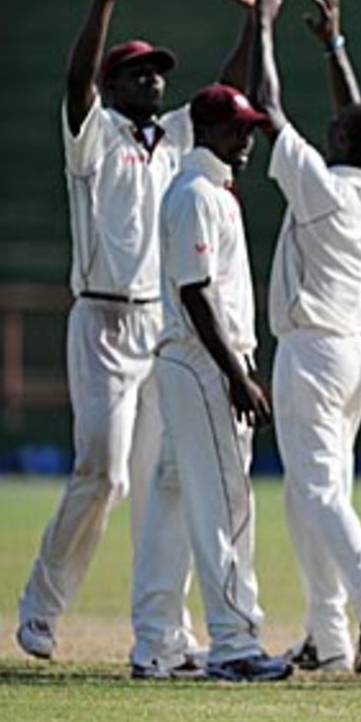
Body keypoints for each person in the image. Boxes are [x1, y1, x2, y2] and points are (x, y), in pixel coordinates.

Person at [17, 0, 254, 665]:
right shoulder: (93, 136)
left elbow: (224, 101)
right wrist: (105, 1)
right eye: (140, 73)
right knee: (105, 472)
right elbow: (75, 84)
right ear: (115, 87)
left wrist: (255, 26)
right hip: (101, 320)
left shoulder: (175, 140)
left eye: (158, 74)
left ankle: (165, 630)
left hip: (159, 324)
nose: (154, 81)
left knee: (165, 483)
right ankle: (40, 610)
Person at [248, 0, 361, 674]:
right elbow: (358, 116)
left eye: (336, 126)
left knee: (314, 489)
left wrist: (262, 23)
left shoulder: (318, 187)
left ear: (342, 142)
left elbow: (265, 104)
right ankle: (328, 636)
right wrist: (334, 45)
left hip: (312, 352)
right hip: (350, 354)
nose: (331, 122)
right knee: (312, 494)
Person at [129, 81, 291, 682]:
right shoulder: (197, 192)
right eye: (238, 127)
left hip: (195, 361)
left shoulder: (208, 188)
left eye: (250, 126)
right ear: (206, 129)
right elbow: (195, 293)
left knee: (173, 497)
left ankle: (157, 641)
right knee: (224, 499)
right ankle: (234, 642)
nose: (247, 137)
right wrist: (237, 375)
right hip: (203, 362)